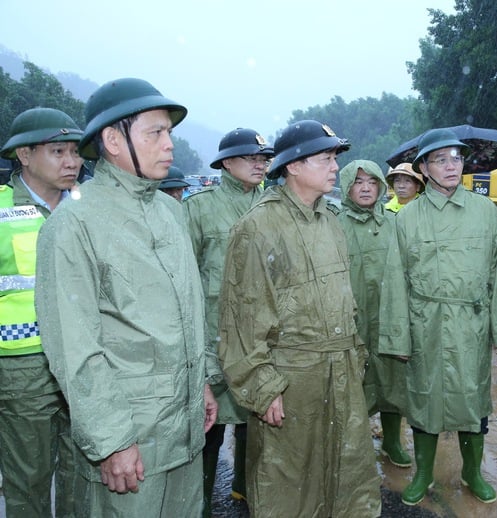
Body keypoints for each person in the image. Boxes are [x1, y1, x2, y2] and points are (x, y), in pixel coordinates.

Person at [34, 77, 219, 517]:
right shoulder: (73, 225)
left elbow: (190, 312)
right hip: (132, 440)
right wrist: (112, 439)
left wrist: (205, 382)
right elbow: (75, 348)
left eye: (169, 132)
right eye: (154, 133)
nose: (169, 143)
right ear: (113, 141)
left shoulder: (172, 212)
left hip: (185, 427)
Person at [218, 120, 382, 517]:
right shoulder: (258, 227)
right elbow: (241, 318)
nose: (333, 168)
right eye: (325, 158)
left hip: (339, 372)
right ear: (292, 166)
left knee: (347, 476)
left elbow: (345, 301)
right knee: (289, 483)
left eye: (333, 158)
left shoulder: (330, 221)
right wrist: (262, 386)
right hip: (291, 380)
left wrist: (354, 357)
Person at [380, 128, 497, 506]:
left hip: (470, 325)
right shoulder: (407, 218)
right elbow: (395, 280)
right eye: (440, 159)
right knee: (425, 399)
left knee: (472, 399)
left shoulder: (485, 211)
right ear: (423, 168)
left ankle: (472, 471)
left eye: (456, 158)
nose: (450, 166)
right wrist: (397, 337)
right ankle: (424, 473)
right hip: (424, 322)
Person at [184, 127, 274, 516]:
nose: (260, 163)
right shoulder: (200, 207)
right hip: (215, 331)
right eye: (250, 157)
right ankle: (202, 499)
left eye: (263, 158)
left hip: (262, 333)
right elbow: (185, 276)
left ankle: (244, 489)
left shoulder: (273, 203)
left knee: (258, 421)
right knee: (212, 423)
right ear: (225, 163)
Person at [0, 107, 82, 517]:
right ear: (24, 155)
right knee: (27, 480)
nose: (71, 162)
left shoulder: (89, 210)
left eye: (75, 151)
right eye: (57, 151)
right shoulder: (0, 212)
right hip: (23, 369)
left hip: (85, 360)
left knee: (83, 477)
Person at [336, 159, 410, 468]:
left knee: (393, 381)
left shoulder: (395, 223)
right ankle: (353, 444)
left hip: (389, 316)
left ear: (381, 186)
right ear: (346, 187)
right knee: (351, 382)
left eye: (372, 181)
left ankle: (392, 441)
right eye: (358, 181)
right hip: (351, 318)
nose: (366, 187)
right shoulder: (334, 224)